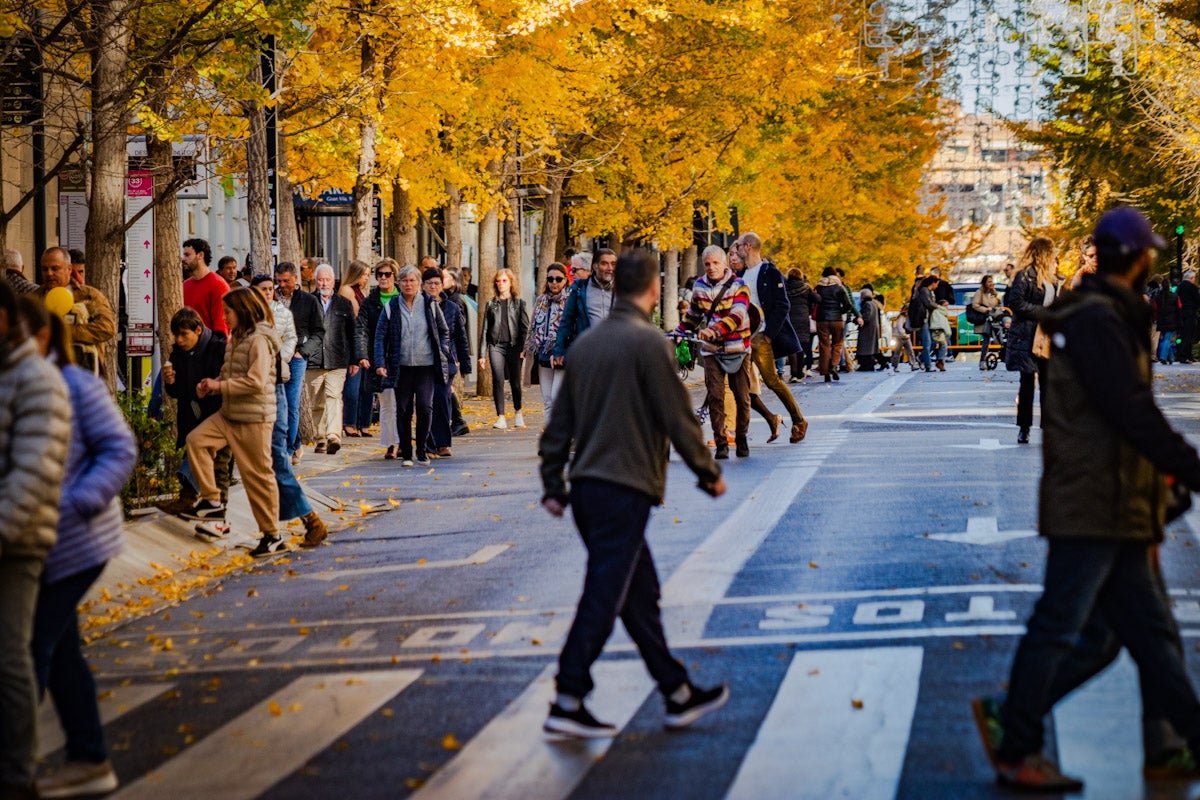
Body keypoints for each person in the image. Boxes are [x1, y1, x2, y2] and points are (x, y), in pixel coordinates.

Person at [972, 206, 1200, 792]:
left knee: (1133, 636)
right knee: (1063, 625)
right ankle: (1016, 736)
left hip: (1114, 499)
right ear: (1135, 258)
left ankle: (1019, 722)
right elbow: (1129, 409)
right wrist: (1188, 467)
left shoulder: (1101, 312)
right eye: (1146, 251)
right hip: (1096, 500)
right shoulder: (1098, 317)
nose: (1151, 258)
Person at [539, 248, 729, 738]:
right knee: (604, 595)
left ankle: (677, 691)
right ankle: (567, 695)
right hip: (624, 488)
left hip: (587, 488)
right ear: (651, 289)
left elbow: (559, 423)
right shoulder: (649, 344)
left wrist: (553, 483)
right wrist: (708, 473)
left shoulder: (585, 347)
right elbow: (678, 417)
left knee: (639, 595)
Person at [18, 300, 135, 799]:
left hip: (75, 539)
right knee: (61, 650)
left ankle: (13, 763)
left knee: (31, 652)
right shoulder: (19, 386)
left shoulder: (75, 383)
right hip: (36, 540)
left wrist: (79, 500)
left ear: (42, 338)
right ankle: (89, 757)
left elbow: (119, 447)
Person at [0, 279, 71, 800]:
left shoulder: (37, 379)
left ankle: (16, 773)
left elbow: (33, 468)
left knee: (10, 656)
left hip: (18, 540)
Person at [182, 288, 285, 558]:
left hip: (253, 418)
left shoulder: (260, 340)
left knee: (257, 477)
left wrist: (220, 385)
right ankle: (212, 500)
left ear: (242, 310)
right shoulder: (237, 337)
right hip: (229, 413)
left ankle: (272, 535)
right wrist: (213, 386)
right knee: (196, 441)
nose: (224, 317)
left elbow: (256, 381)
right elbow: (230, 373)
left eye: (228, 312)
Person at [251, 275, 328, 548]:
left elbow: (260, 372)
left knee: (276, 465)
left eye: (272, 289)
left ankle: (308, 522)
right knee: (261, 471)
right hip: (249, 407)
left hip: (267, 401)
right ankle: (273, 533)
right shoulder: (248, 329)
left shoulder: (267, 327)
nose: (269, 293)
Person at [677, 245, 753, 459]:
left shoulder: (740, 286)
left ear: (725, 264)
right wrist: (679, 332)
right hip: (712, 351)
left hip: (738, 347)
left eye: (715, 263)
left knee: (742, 397)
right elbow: (693, 316)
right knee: (715, 396)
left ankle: (742, 437)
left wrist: (714, 330)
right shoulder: (699, 286)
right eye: (707, 264)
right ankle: (721, 442)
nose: (711, 268)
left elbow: (738, 315)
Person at [732, 234, 807, 442]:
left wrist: (769, 335)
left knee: (772, 380)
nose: (736, 250)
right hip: (740, 338)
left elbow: (783, 305)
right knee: (738, 384)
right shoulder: (741, 274)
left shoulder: (770, 272)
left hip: (760, 337)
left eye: (738, 246)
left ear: (748, 247)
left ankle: (798, 420)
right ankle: (761, 423)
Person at [375, 265, 451, 467]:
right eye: (404, 281)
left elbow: (444, 331)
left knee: (425, 408)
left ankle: (422, 450)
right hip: (401, 366)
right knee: (403, 410)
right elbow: (380, 336)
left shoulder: (429, 305)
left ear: (419, 283)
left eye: (412, 280)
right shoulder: (391, 306)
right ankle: (407, 453)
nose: (408, 284)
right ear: (398, 283)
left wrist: (442, 351)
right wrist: (380, 363)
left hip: (426, 366)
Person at [160, 308, 227, 516]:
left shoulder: (218, 348)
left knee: (220, 463)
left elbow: (223, 382)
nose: (179, 340)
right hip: (190, 412)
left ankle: (220, 508)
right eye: (176, 335)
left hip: (217, 413)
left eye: (184, 334)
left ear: (198, 330)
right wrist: (171, 382)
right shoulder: (177, 354)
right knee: (190, 452)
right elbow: (177, 392)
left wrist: (209, 387)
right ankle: (189, 499)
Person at [1006, 237, 1059, 444]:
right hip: (1027, 335)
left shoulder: (1053, 278)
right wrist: (1042, 312)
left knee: (1048, 384)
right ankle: (1024, 427)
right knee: (1027, 383)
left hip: (1047, 335)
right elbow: (1016, 302)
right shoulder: (1025, 276)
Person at [275, 262, 324, 465]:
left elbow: (319, 332)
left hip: (296, 356)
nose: (282, 285)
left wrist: (303, 352)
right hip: (275, 356)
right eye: (279, 281)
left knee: (291, 402)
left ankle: (287, 448)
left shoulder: (309, 301)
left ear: (295, 279)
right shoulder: (272, 298)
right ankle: (294, 444)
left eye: (286, 280)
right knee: (279, 403)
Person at [38, 247, 117, 374]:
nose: (49, 273)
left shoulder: (89, 296)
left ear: (69, 269)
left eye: (55, 268)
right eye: (45, 269)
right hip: (46, 375)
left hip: (85, 372)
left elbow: (107, 327)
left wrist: (66, 332)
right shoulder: (35, 298)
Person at [306, 264, 358, 455]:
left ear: (333, 280)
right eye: (320, 279)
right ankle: (321, 438)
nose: (324, 283)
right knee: (317, 402)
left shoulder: (344, 303)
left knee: (334, 396)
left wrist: (355, 359)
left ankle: (333, 436)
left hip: (338, 359)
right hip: (314, 360)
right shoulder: (308, 301)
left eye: (327, 279)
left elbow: (353, 332)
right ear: (315, 281)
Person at [424, 267, 469, 458]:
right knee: (427, 402)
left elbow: (461, 336)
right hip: (423, 360)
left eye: (436, 283)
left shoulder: (451, 307)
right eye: (429, 283)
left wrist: (465, 364)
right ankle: (429, 443)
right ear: (423, 285)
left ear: (442, 285)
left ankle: (443, 443)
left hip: (445, 361)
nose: (433, 287)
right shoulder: (419, 306)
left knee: (442, 398)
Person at [357, 260, 400, 458]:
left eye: (387, 274)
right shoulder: (370, 301)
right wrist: (363, 355)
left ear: (394, 276)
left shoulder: (403, 297)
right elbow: (362, 330)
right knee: (386, 401)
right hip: (379, 356)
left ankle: (401, 440)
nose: (383, 278)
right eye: (379, 274)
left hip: (402, 357)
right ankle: (391, 443)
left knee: (402, 402)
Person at [479, 268, 529, 429]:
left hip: (515, 346)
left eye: (504, 281)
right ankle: (500, 416)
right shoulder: (491, 304)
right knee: (498, 380)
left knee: (515, 381)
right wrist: (482, 354)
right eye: (498, 281)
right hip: (496, 346)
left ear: (511, 283)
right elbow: (485, 330)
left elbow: (525, 328)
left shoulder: (519, 303)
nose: (501, 284)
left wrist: (525, 348)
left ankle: (518, 412)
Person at [525, 263, 570, 426]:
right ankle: (551, 438)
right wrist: (528, 349)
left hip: (562, 355)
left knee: (557, 396)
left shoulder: (570, 300)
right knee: (547, 399)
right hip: (543, 353)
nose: (554, 283)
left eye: (558, 279)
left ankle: (562, 436)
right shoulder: (541, 300)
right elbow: (532, 327)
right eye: (551, 279)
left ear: (565, 280)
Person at [552, 250, 614, 363]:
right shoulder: (580, 289)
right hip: (589, 352)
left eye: (613, 264)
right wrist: (559, 349)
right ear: (594, 266)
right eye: (604, 263)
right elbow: (567, 320)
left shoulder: (623, 289)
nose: (610, 268)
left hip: (616, 351)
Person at [338, 260, 372, 438]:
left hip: (365, 341)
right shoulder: (347, 291)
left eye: (367, 275)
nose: (367, 278)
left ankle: (363, 423)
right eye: (364, 274)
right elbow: (354, 317)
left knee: (366, 387)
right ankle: (349, 422)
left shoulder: (361, 292)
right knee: (353, 384)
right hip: (352, 341)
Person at [442, 268, 472, 437]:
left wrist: (461, 357)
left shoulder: (455, 302)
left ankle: (458, 419)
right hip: (450, 351)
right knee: (448, 387)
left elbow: (460, 332)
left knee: (447, 387)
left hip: (450, 352)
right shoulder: (448, 300)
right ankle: (457, 419)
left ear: (453, 281)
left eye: (444, 277)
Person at [182, 238, 230, 336]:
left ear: (200, 256)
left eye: (187, 255)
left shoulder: (218, 285)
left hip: (210, 347)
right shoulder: (184, 286)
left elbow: (222, 325)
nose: (183, 259)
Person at [814, 266, 852, 382]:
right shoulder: (839, 287)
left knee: (824, 345)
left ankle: (825, 372)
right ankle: (834, 366)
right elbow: (848, 304)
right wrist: (840, 312)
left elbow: (813, 301)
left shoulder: (818, 287)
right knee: (837, 343)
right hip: (837, 320)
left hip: (822, 320)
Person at [785, 268, 817, 381]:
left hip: (789, 317)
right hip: (803, 318)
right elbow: (817, 299)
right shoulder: (806, 288)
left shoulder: (785, 287)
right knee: (801, 345)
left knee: (791, 345)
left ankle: (793, 374)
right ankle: (799, 372)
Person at [970, 275, 1002, 370]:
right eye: (989, 282)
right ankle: (982, 361)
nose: (991, 284)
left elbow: (998, 304)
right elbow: (975, 305)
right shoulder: (979, 292)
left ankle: (999, 356)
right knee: (986, 339)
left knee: (1000, 336)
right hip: (984, 319)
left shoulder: (993, 293)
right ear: (984, 283)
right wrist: (986, 309)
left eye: (992, 281)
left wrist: (996, 296)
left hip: (994, 319)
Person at [1155, 276, 1183, 365]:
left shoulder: (1157, 297)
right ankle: (1163, 357)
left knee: (1166, 339)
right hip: (1172, 321)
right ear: (1169, 286)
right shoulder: (1175, 296)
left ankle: (1171, 358)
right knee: (1168, 339)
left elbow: (1154, 309)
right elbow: (1179, 308)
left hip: (1161, 321)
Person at [856, 286, 883, 371]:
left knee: (865, 348)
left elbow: (867, 317)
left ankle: (867, 365)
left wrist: (858, 319)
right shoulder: (873, 304)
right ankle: (876, 363)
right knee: (870, 348)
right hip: (872, 329)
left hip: (867, 329)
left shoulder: (867, 304)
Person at [1179, 269, 1200, 364]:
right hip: (1191, 312)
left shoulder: (1179, 287)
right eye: (1194, 278)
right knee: (1190, 334)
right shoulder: (1193, 287)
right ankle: (1186, 356)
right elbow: (1197, 300)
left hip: (1181, 313)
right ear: (1191, 278)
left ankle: (1186, 355)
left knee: (1184, 334)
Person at [891, 304, 919, 372]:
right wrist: (904, 334)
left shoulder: (908, 317)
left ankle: (913, 364)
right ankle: (895, 366)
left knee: (910, 351)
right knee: (898, 352)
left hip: (906, 336)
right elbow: (900, 327)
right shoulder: (901, 317)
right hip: (900, 337)